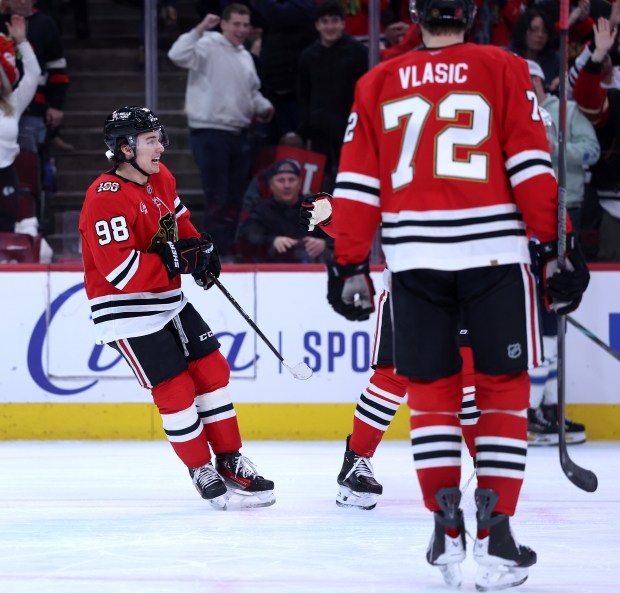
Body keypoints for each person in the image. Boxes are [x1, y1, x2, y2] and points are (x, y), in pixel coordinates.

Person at [299, 0, 590, 589]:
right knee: (501, 396)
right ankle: (498, 532)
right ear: (471, 12)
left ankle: (444, 526)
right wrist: (557, 244)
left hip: (413, 266)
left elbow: (355, 186)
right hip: (492, 261)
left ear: (416, 13)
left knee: (431, 399)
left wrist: (348, 261)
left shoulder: (377, 80)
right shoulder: (504, 67)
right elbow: (532, 168)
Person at [78, 106, 275, 510]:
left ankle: (230, 459)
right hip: (124, 311)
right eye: (150, 140)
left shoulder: (160, 178)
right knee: (176, 391)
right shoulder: (104, 198)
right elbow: (120, 272)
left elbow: (179, 223)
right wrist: (176, 263)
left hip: (167, 301)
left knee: (212, 371)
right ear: (125, 149)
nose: (161, 146)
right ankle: (200, 467)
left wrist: (201, 252)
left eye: (160, 137)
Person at [525, 59, 597, 447]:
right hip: (522, 224)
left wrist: (561, 150)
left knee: (551, 316)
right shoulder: (505, 113)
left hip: (554, 215)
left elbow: (590, 153)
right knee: (535, 321)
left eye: (530, 78)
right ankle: (532, 408)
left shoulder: (558, 114)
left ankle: (546, 406)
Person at [167, 5, 274, 257]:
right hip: (209, 132)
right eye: (236, 24)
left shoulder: (245, 56)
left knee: (235, 196)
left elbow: (250, 92)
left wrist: (264, 106)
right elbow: (176, 54)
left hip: (239, 132)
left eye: (245, 25)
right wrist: (200, 28)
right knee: (218, 194)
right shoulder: (206, 45)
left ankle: (227, 246)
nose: (241, 29)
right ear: (223, 24)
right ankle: (215, 249)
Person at [297, 0, 368, 190]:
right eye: (325, 21)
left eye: (334, 21)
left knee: (348, 175)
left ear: (343, 24)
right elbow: (303, 93)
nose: (330, 26)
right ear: (317, 25)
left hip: (349, 128)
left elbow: (365, 91)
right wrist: (307, 125)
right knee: (321, 181)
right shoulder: (308, 55)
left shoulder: (358, 52)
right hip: (319, 130)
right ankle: (319, 219)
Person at [0, 0, 70, 155]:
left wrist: (55, 104)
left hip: (33, 105)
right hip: (3, 103)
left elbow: (56, 66)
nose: (23, 2)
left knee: (28, 162)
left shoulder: (45, 24)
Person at [236, 158, 330, 262]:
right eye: (281, 180)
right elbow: (247, 240)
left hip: (312, 270)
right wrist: (272, 242)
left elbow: (341, 236)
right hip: (271, 271)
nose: (287, 185)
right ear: (271, 185)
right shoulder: (261, 212)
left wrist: (323, 243)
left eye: (291, 180)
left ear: (299, 184)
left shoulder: (315, 209)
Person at [0, 15, 40, 231]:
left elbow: (33, 75)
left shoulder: (12, 104)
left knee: (5, 233)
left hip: (5, 176)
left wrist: (22, 42)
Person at [510, 8, 560, 94]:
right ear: (524, 31)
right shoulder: (510, 57)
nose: (540, 35)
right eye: (535, 29)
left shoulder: (554, 61)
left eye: (544, 31)